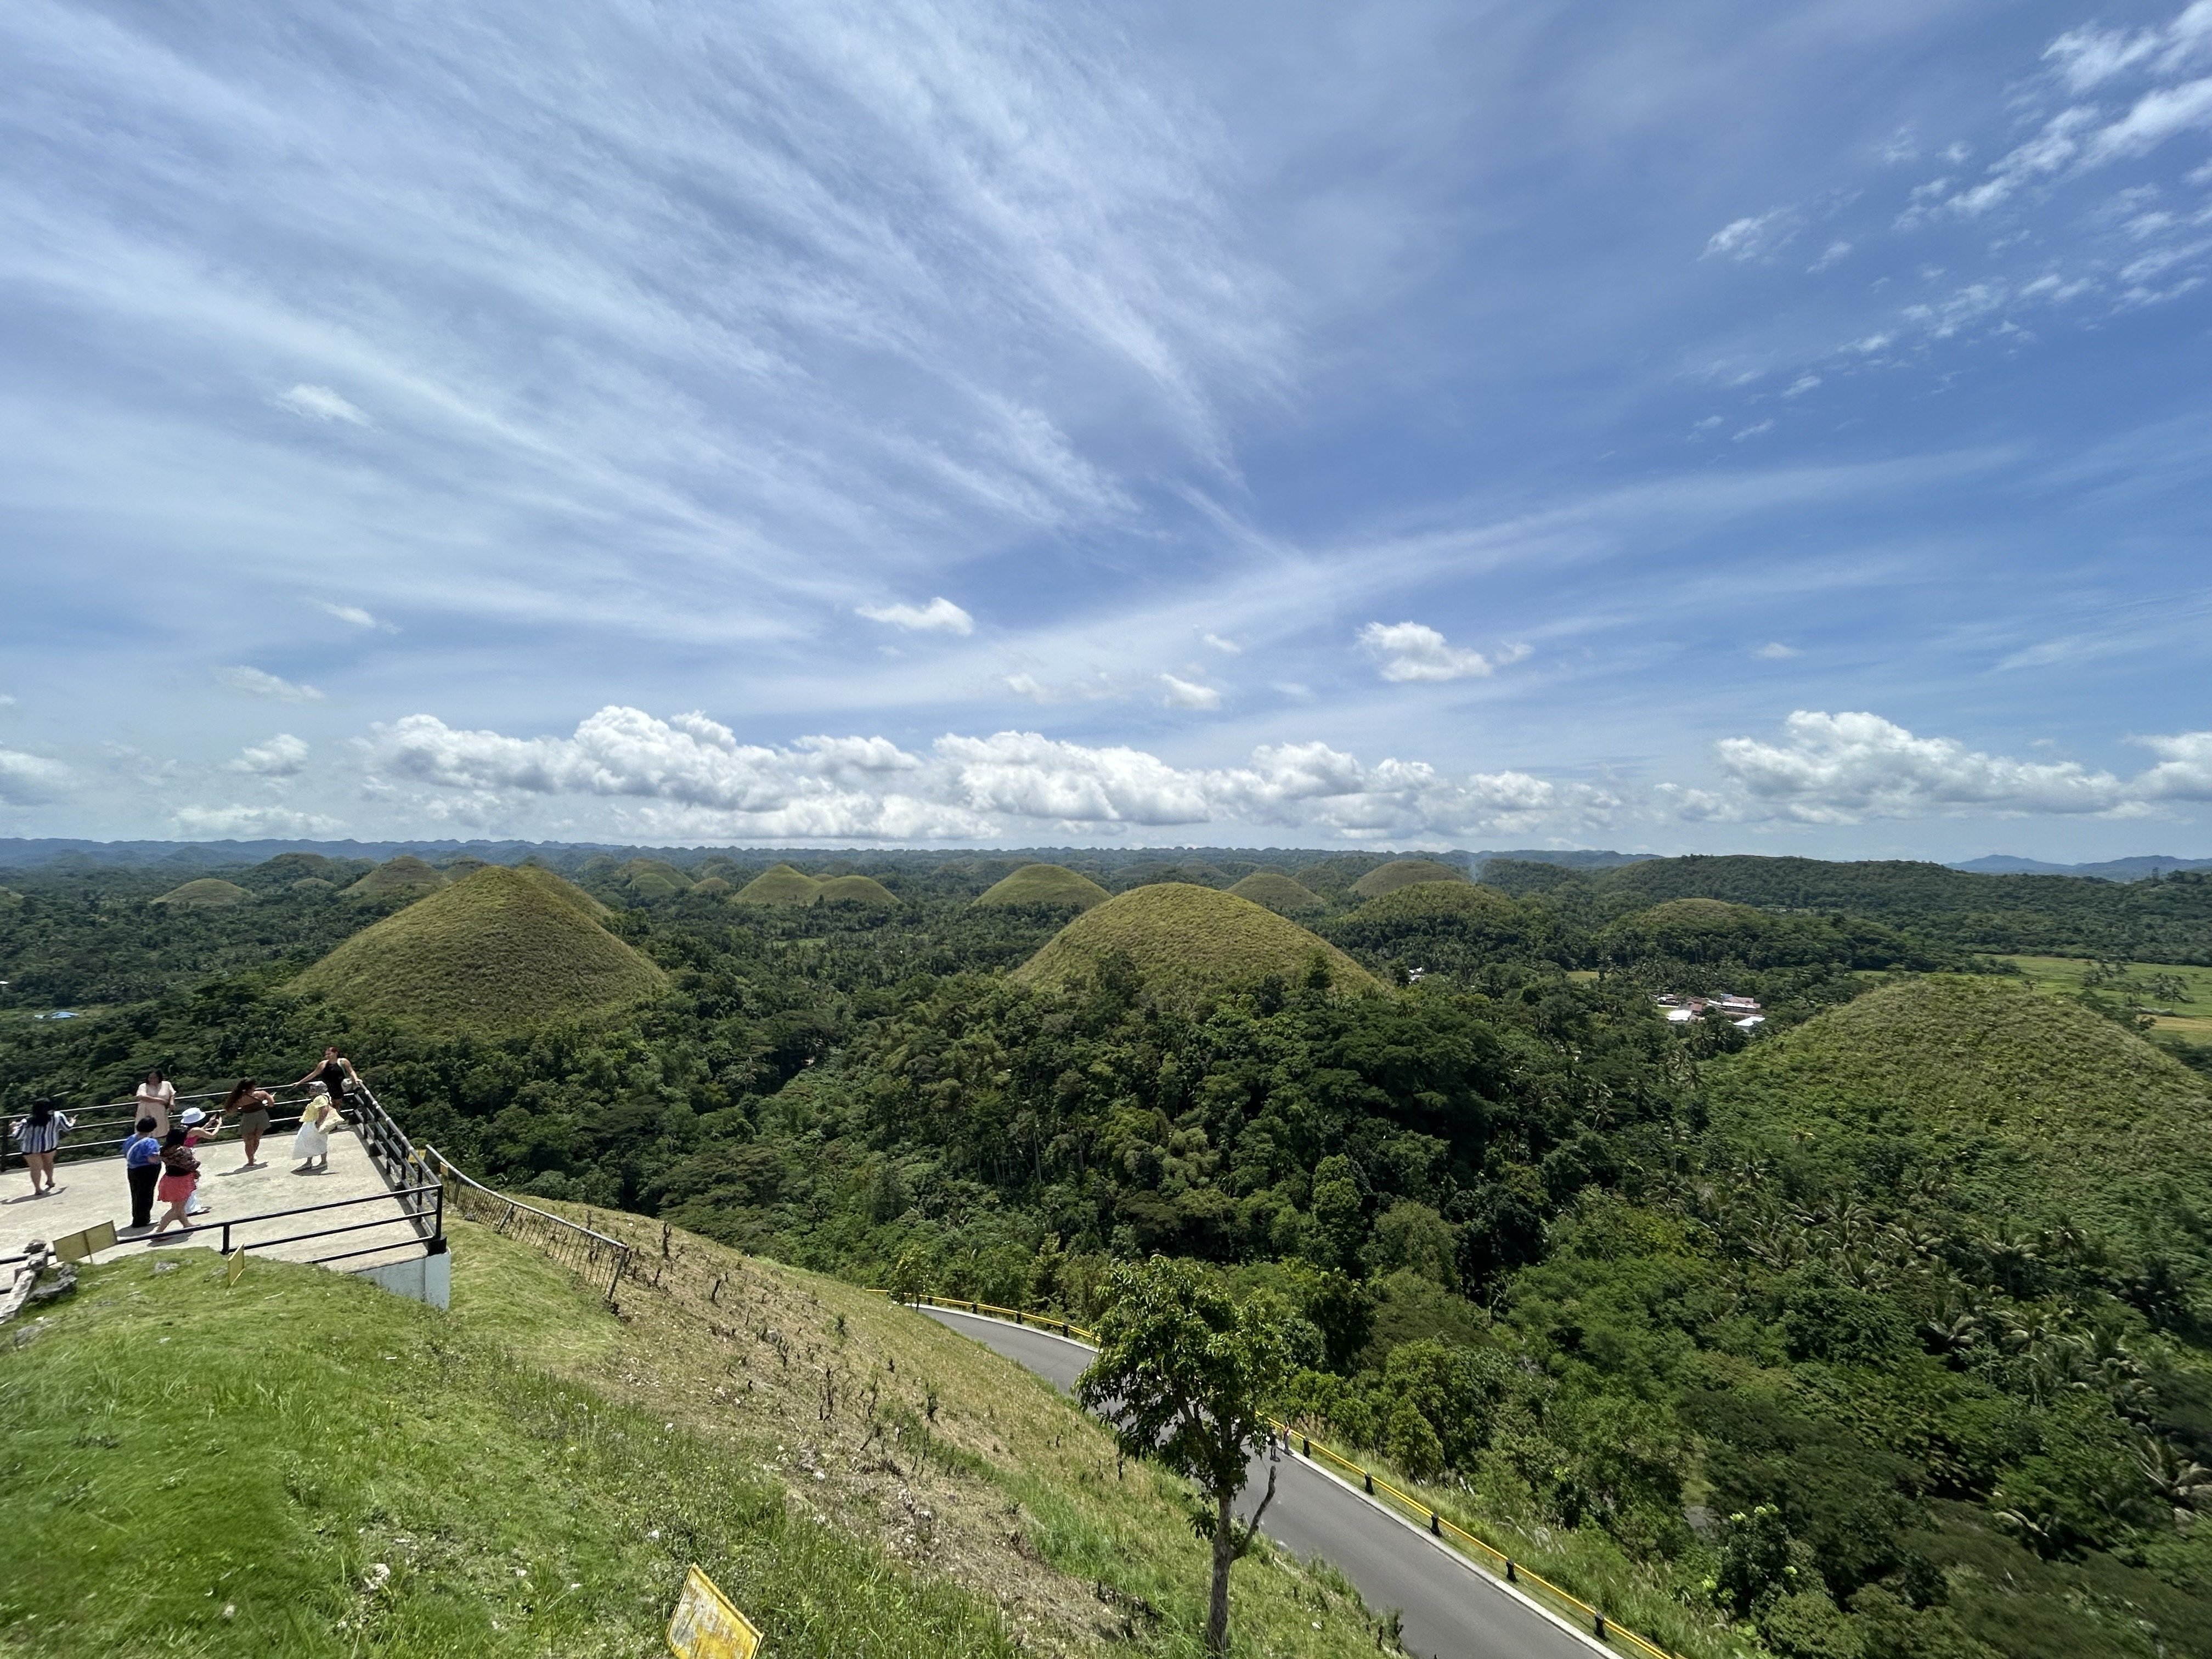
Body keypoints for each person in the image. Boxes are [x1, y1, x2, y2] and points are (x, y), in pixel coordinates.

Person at [151, 1119, 219, 1237]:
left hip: (169, 1179)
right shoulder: (183, 1151)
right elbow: (192, 1164)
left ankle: (186, 1225)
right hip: (181, 1182)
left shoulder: (164, 1150)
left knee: (178, 1207)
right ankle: (158, 1233)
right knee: (176, 1210)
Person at [9, 1099, 72, 1198]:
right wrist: (72, 1121)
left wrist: (14, 1127)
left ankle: (38, 1189)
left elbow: (18, 1136)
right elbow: (67, 1128)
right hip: (50, 1145)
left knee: (35, 1169)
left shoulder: (28, 1120)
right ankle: (50, 1181)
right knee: (49, 1163)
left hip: (31, 1148)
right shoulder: (58, 1116)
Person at [219, 1078, 276, 1169]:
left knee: (248, 1140)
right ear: (253, 1086)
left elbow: (231, 1111)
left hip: (248, 1118)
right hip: (262, 1117)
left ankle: (250, 1161)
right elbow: (271, 1104)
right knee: (257, 1138)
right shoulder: (262, 1094)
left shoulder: (239, 1097)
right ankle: (252, 1156)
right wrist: (271, 1098)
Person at [176, 1107, 222, 1215]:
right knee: (191, 1181)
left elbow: (198, 1133)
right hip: (188, 1156)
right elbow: (212, 1136)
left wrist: (209, 1124)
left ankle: (187, 1207)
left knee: (186, 1180)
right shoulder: (196, 1130)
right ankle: (192, 1209)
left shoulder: (184, 1128)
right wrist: (219, 1125)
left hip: (181, 1155)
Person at [122, 1116, 163, 1231]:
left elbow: (125, 1153)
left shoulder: (130, 1139)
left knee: (136, 1194)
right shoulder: (151, 1142)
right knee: (146, 1195)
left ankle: (137, 1218)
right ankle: (143, 1220)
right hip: (147, 1170)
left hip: (132, 1169)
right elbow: (152, 1159)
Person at [292, 1048, 361, 1111]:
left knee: (335, 1108)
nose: (327, 1056)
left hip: (338, 1089)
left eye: (329, 1054)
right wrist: (300, 1082)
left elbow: (351, 1071)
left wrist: (356, 1079)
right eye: (326, 1055)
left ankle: (334, 1124)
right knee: (325, 1109)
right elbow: (314, 1074)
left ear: (336, 1053)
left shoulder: (343, 1062)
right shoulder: (323, 1064)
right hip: (326, 1089)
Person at [292, 1090, 340, 1174]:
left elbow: (324, 1109)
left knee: (319, 1141)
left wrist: (319, 1122)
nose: (310, 1091)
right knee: (310, 1141)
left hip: (315, 1122)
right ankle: (309, 1162)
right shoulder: (322, 1097)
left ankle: (323, 1162)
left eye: (313, 1089)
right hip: (311, 1122)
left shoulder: (321, 1098)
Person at [133, 1069, 177, 1138]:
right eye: (150, 1078)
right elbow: (142, 1097)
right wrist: (161, 1101)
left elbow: (172, 1094)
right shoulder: (143, 1086)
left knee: (161, 1131)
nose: (152, 1080)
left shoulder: (167, 1084)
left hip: (160, 1113)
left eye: (155, 1077)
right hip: (146, 1112)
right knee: (145, 1132)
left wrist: (171, 1102)